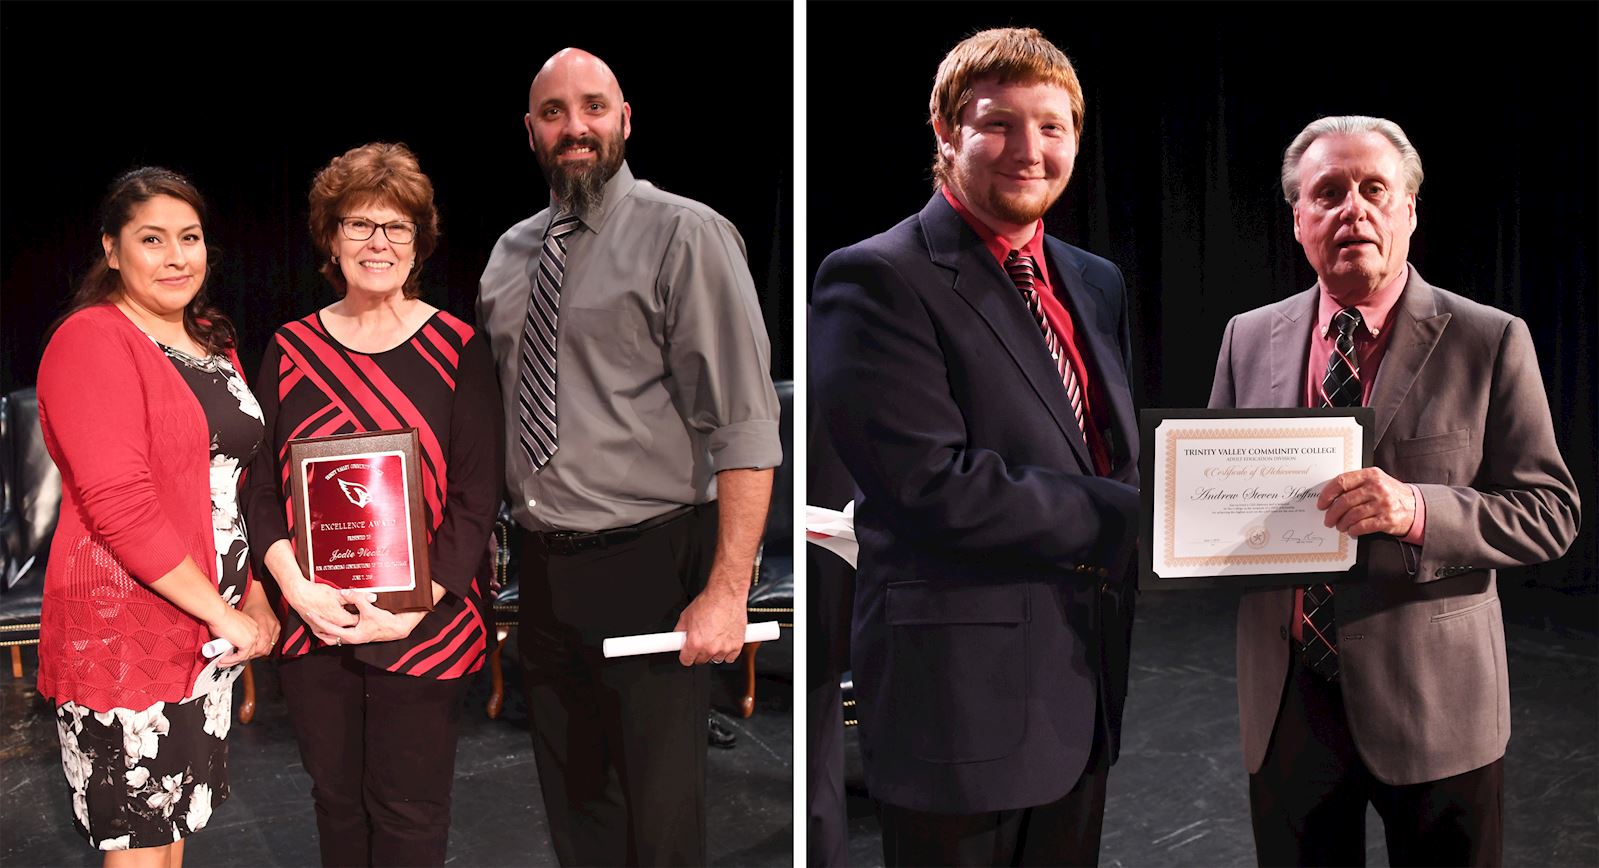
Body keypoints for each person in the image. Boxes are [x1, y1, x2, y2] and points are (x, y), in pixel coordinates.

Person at [1208, 115, 1581, 866]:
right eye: (1328, 193)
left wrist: (1415, 511)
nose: (1353, 210)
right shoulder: (1246, 337)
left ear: (1408, 209)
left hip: (1436, 702)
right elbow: (1213, 494)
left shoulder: (1488, 338)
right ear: (1298, 220)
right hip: (1287, 702)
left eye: (1374, 190)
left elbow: (1550, 514)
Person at [810, 27, 1140, 866]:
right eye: (998, 124)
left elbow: (1098, 449)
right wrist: (1138, 516)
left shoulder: (1093, 280)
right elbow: (930, 487)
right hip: (955, 707)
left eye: (1053, 125)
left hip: (1080, 685)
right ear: (945, 131)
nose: (1028, 151)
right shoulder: (875, 277)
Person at [476, 47, 781, 866]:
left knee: (660, 817)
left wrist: (725, 589)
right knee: (576, 808)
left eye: (593, 107)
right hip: (543, 571)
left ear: (624, 120)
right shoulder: (507, 258)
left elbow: (745, 425)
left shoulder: (687, 234)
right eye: (553, 112)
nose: (575, 127)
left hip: (653, 565)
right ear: (531, 132)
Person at [241, 142, 504, 867]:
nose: (377, 242)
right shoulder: (289, 349)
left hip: (427, 621)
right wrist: (295, 588)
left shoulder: (457, 348)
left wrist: (422, 602)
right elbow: (259, 486)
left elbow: (478, 494)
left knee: (410, 810)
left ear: (419, 242)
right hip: (315, 618)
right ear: (331, 237)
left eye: (395, 227)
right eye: (358, 224)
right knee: (333, 798)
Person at [35, 167, 278, 864]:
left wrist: (252, 593)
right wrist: (223, 612)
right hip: (128, 629)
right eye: (152, 239)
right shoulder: (91, 340)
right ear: (111, 249)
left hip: (204, 627)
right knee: (138, 849)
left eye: (190, 238)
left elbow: (230, 484)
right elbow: (120, 504)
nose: (176, 257)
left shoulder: (208, 337)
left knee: (170, 840)